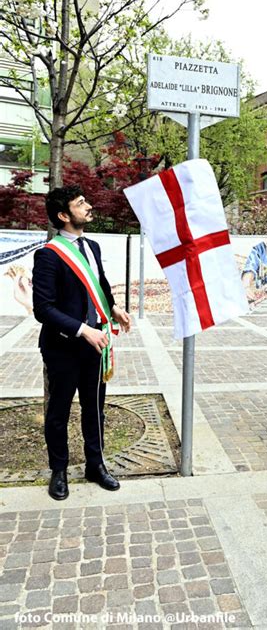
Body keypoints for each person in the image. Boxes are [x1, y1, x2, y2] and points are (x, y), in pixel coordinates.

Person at [32, 185, 131, 500]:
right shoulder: (48, 255)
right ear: (64, 215)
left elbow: (100, 285)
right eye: (81, 203)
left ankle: (95, 464)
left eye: (86, 200)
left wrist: (114, 308)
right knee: (59, 411)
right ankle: (59, 471)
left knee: (95, 409)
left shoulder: (93, 247)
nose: (88, 206)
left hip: (96, 345)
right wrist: (81, 330)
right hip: (63, 348)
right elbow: (43, 309)